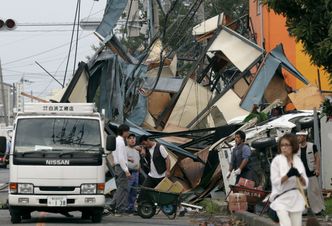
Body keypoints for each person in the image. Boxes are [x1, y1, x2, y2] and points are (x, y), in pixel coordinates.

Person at [269, 133, 309, 226]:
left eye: (286, 145)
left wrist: (299, 175)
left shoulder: (297, 161)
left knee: (296, 224)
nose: (284, 148)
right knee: (286, 224)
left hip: (295, 197)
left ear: (293, 146)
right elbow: (275, 182)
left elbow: (304, 183)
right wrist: (288, 175)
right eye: (282, 145)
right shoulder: (277, 161)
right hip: (281, 197)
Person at [296, 130, 325, 215]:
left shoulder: (312, 146)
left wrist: (317, 169)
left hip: (311, 172)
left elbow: (317, 158)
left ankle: (318, 209)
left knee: (314, 192)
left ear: (305, 137)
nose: (298, 138)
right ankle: (303, 211)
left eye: (300, 136)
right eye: (298, 136)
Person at [111, 124, 131, 216]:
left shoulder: (117, 140)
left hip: (118, 166)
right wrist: (126, 170)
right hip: (121, 167)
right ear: (123, 132)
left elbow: (119, 156)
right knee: (123, 189)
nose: (128, 133)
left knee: (120, 188)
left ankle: (113, 205)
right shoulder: (121, 142)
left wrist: (128, 159)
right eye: (127, 131)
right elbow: (121, 157)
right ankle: (119, 209)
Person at [125, 133, 141, 214]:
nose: (132, 140)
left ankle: (131, 207)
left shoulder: (136, 150)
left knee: (134, 191)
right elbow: (121, 159)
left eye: (133, 138)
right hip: (129, 172)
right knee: (127, 190)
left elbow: (138, 161)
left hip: (136, 173)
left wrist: (139, 170)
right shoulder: (125, 149)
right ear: (127, 140)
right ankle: (125, 207)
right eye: (130, 138)